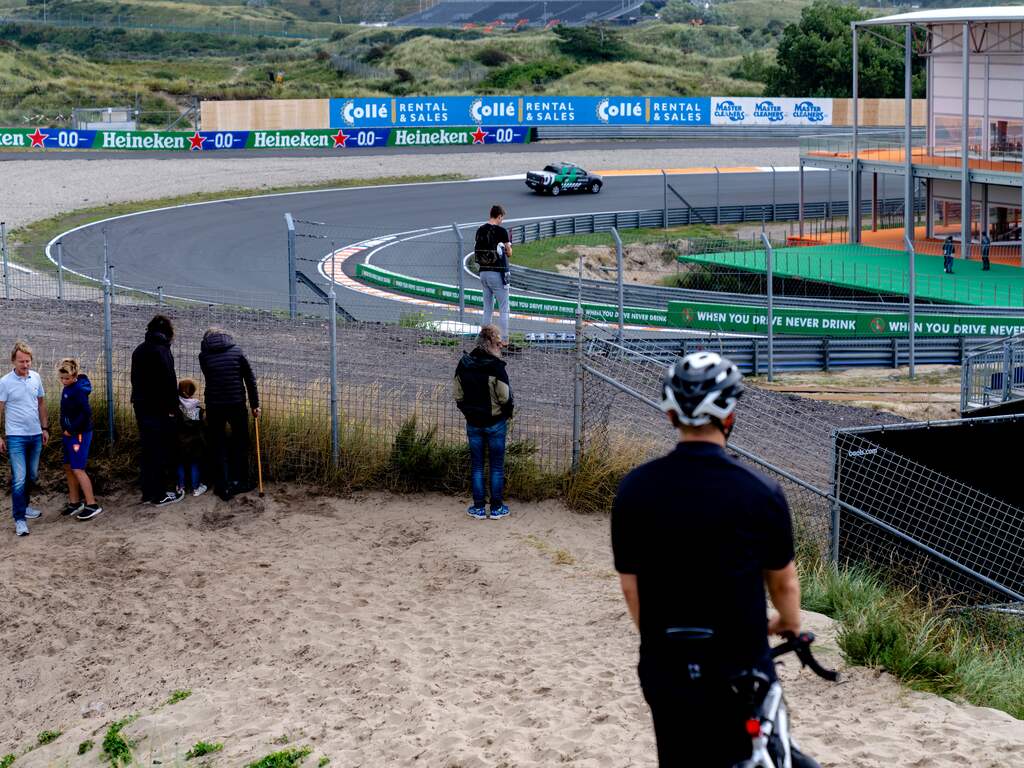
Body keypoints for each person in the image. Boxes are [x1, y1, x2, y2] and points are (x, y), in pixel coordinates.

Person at [611, 352, 815, 768]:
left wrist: (664, 636)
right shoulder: (760, 491)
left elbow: (632, 588)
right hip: (739, 664)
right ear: (730, 415)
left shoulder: (635, 489)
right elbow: (784, 584)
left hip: (665, 663)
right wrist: (789, 624)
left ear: (671, 415)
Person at [453, 324, 514, 520]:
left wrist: (468, 413)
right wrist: (506, 414)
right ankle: (496, 508)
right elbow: (505, 397)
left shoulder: (464, 363)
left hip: (473, 423)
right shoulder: (496, 367)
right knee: (496, 466)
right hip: (495, 422)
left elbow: (458, 394)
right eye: (498, 344)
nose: (501, 348)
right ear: (490, 344)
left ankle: (478, 507)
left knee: (477, 466)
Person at [198, 328, 260, 501]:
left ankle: (222, 486)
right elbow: (249, 378)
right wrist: (255, 404)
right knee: (240, 441)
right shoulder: (237, 351)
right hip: (236, 403)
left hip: (214, 405)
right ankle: (240, 481)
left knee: (217, 444)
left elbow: (210, 375)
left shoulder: (203, 356)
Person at [131, 314, 184, 507]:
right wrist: (172, 408)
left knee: (147, 449)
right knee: (160, 450)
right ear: (168, 333)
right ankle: (160, 494)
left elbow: (134, 380)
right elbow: (169, 382)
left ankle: (147, 492)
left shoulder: (139, 350)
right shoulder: (162, 351)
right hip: (159, 409)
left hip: (141, 405)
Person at [0, 341, 49, 536]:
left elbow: (41, 404)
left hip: (35, 435)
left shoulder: (36, 377)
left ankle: (25, 506)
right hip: (16, 437)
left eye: (28, 361)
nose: (25, 365)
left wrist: (44, 428)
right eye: (21, 361)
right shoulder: (4, 382)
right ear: (13, 360)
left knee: (32, 475)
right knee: (19, 478)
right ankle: (19, 519)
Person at [57, 358, 102, 521]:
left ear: (75, 376)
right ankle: (75, 502)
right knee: (68, 466)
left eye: (67, 378)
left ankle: (92, 504)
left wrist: (72, 429)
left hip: (79, 434)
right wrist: (64, 428)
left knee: (78, 468)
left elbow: (86, 413)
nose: (64, 381)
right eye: (61, 378)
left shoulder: (78, 390)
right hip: (68, 434)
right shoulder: (67, 389)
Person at [474, 204, 512, 339]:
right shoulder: (501, 231)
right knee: (504, 308)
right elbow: (509, 252)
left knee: (487, 308)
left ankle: (484, 338)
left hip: (483, 272)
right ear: (499, 216)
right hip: (497, 273)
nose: (502, 221)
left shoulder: (480, 230)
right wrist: (508, 247)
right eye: (502, 218)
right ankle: (504, 340)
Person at [175, 378, 207, 498]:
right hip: (195, 443)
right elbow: (203, 425)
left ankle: (180, 487)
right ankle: (196, 487)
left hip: (179, 442)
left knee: (180, 464)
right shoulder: (198, 409)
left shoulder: (176, 408)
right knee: (195, 464)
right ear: (192, 392)